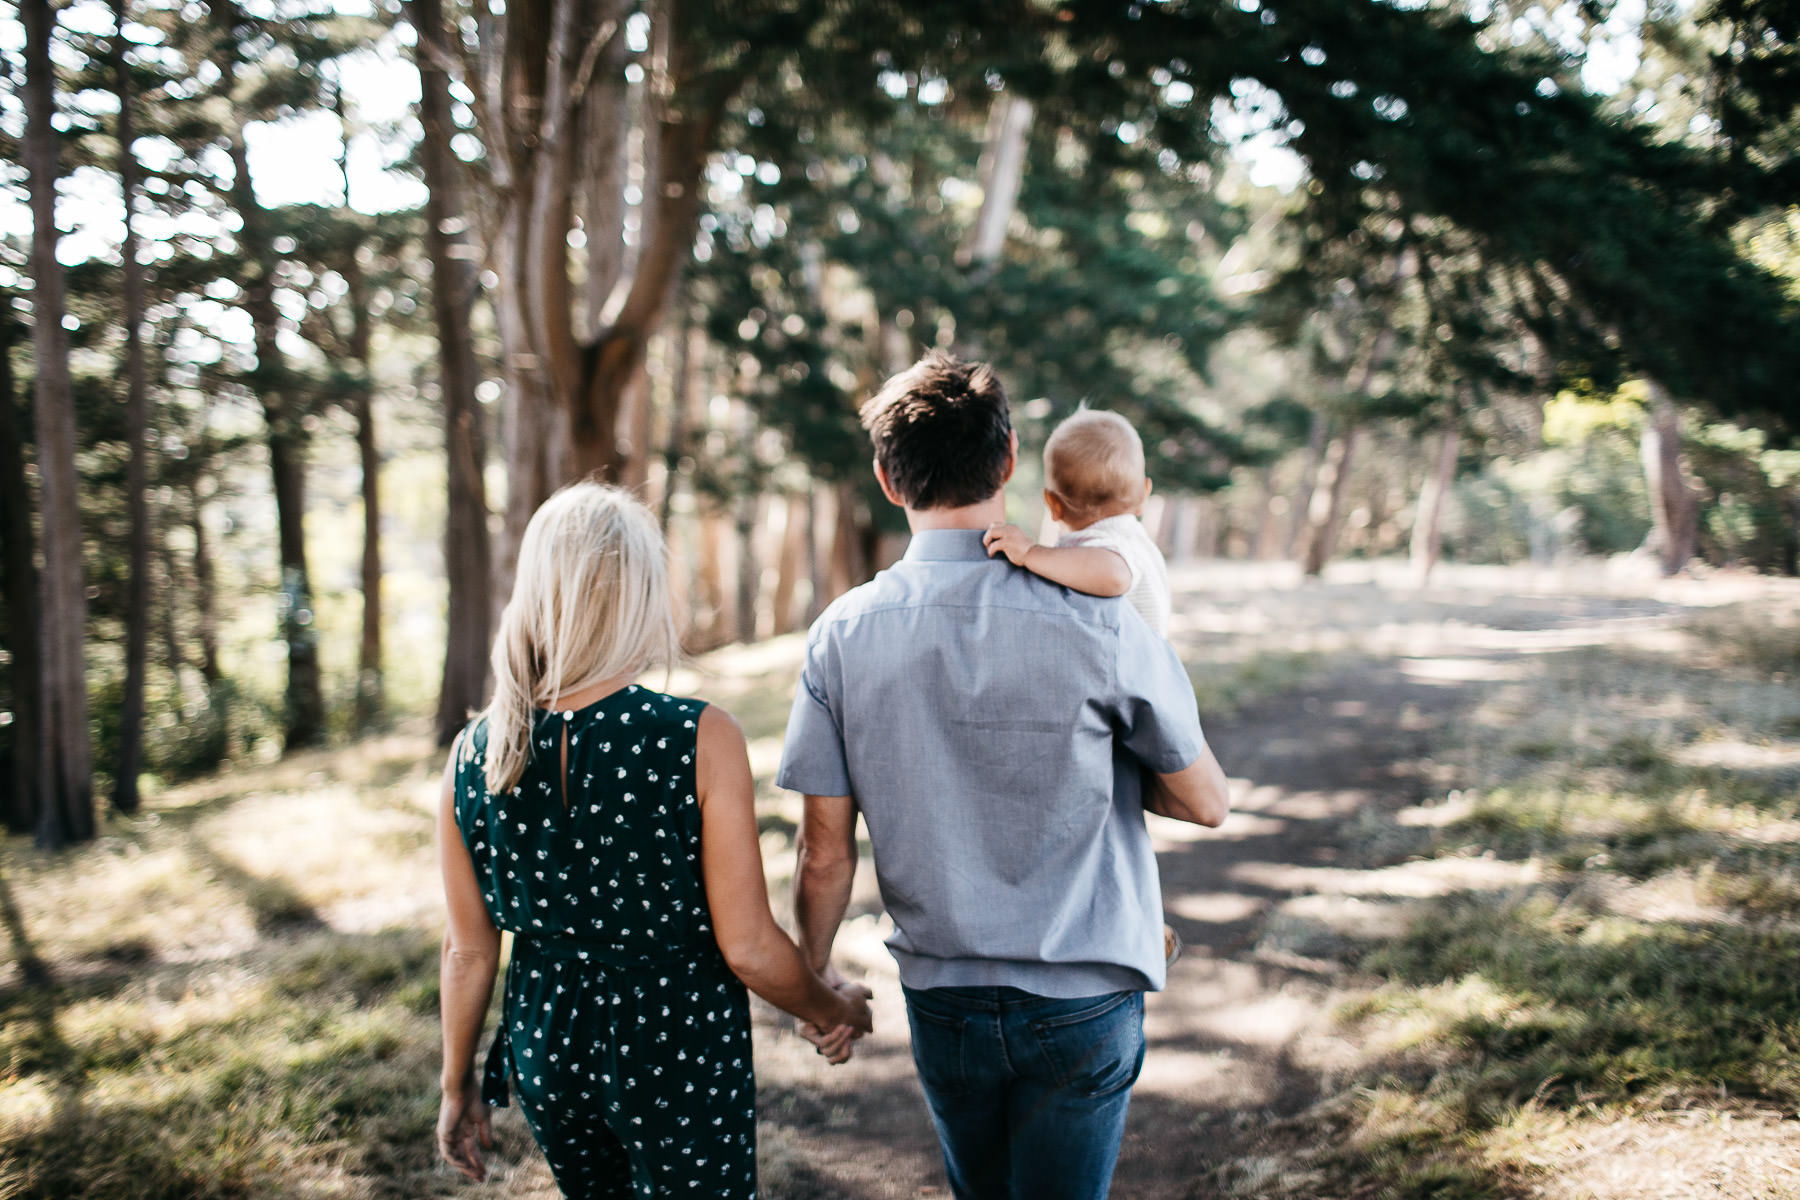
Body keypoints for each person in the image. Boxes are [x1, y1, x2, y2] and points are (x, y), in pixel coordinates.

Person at [777, 352, 1231, 1200]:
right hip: (1083, 996)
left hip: (943, 996)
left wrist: (815, 980)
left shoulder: (840, 636)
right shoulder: (1100, 620)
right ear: (1012, 458)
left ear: (886, 477)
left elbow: (822, 853)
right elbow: (1206, 802)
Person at [435, 482, 872, 1199]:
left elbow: (469, 948)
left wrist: (456, 1085)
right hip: (674, 1044)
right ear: (639, 593)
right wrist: (832, 1010)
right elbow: (750, 946)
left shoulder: (475, 752)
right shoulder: (695, 736)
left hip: (544, 1043)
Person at [980, 406, 1182, 965]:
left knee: (1101, 836)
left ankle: (1140, 924)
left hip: (1128, 713)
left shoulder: (1113, 545)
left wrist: (1032, 553)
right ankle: (1141, 920)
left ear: (1050, 502)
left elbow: (1113, 576)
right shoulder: (1126, 529)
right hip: (1132, 707)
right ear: (1142, 492)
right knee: (1116, 834)